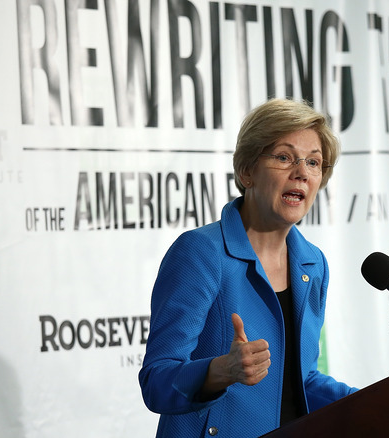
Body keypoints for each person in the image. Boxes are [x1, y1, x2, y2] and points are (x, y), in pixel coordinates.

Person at [139, 98, 358, 437]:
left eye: (314, 162)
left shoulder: (312, 263)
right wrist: (220, 371)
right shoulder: (201, 252)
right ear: (246, 171)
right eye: (284, 157)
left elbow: (302, 380)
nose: (301, 172)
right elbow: (157, 381)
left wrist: (377, 400)